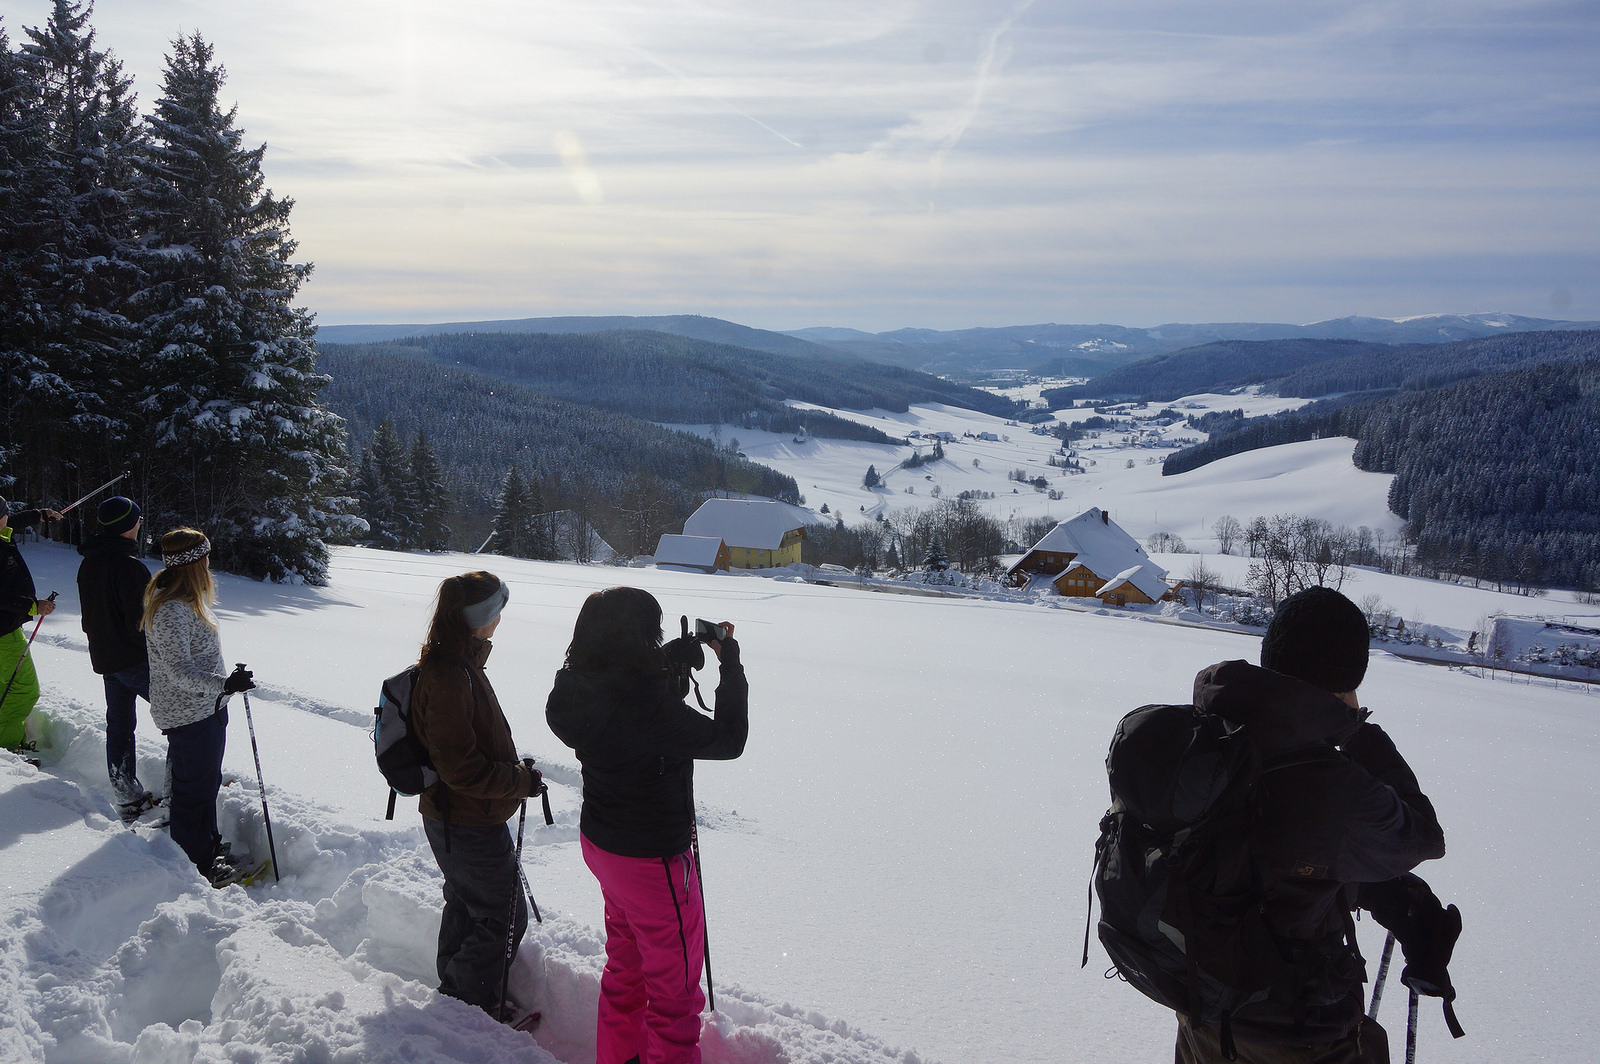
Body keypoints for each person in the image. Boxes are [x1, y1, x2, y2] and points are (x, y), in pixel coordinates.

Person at [1177, 586, 1451, 1064]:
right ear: (1343, 682)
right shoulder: (1323, 780)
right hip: (1296, 1036)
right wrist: (1362, 737)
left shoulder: (1214, 738)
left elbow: (1275, 863)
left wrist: (1393, 898)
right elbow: (1422, 835)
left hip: (1203, 1016)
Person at [545, 588, 748, 1064]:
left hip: (603, 845)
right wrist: (731, 666)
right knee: (675, 1000)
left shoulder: (578, 686)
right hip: (652, 861)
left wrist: (670, 660)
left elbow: (633, 704)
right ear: (638, 639)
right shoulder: (643, 707)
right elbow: (728, 738)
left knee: (626, 970)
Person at [410, 570, 544, 1019]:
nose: (500, 621)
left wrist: (512, 773)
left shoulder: (459, 662)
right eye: (496, 612)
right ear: (477, 618)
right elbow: (461, 769)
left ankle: (455, 996)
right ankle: (466, 1004)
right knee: (505, 917)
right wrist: (519, 782)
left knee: (468, 904)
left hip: (458, 816)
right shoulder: (450, 674)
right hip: (466, 819)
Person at [142, 527, 255, 887]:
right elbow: (178, 670)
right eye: (205, 557)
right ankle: (198, 865)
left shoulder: (182, 600)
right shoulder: (172, 610)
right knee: (194, 791)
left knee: (204, 784)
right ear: (193, 564)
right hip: (188, 713)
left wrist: (222, 689)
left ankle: (206, 847)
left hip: (204, 708)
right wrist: (223, 685)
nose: (209, 563)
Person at [77, 496, 155, 815]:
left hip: (108, 659)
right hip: (135, 661)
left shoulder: (89, 562)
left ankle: (126, 794)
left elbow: (90, 617)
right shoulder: (129, 567)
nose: (139, 524)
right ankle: (185, 795)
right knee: (187, 720)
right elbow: (143, 623)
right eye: (136, 520)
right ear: (127, 526)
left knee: (120, 725)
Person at [1, 497, 63, 754]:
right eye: (5, 514)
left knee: (5, 686)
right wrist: (32, 606)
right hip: (3, 634)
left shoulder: (2, 531)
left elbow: (14, 520)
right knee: (24, 690)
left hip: (5, 628)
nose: (8, 518)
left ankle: (6, 736)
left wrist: (39, 514)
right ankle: (7, 747)